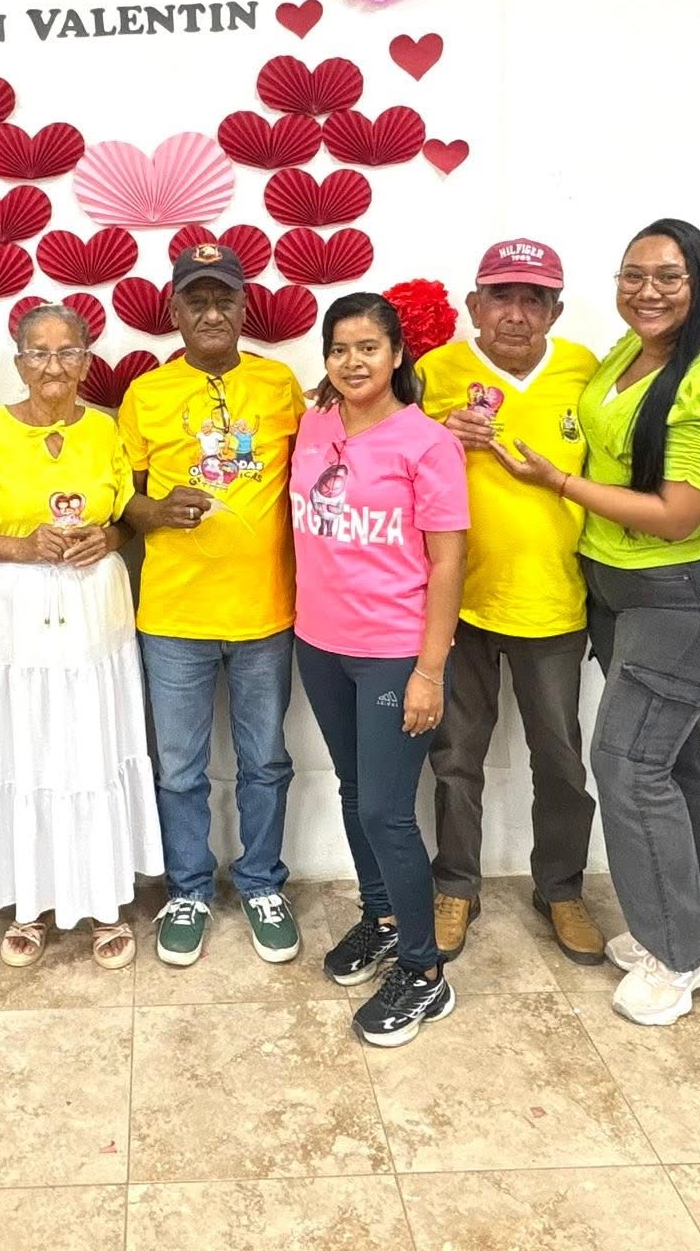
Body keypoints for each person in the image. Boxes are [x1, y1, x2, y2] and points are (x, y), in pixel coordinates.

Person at [489, 218, 700, 1027]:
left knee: (628, 765)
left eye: (669, 277)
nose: (648, 291)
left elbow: (677, 516)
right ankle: (696, 930)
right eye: (633, 275)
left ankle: (673, 958)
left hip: (684, 596)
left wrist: (556, 484)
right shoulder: (626, 353)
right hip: (617, 589)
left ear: (699, 284)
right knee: (677, 763)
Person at [0, 304, 162, 972]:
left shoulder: (105, 432)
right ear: (19, 362)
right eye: (38, 352)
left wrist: (110, 538)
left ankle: (104, 900)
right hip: (16, 609)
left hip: (95, 606)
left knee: (93, 744)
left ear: (86, 361)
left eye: (68, 352)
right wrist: (20, 546)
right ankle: (30, 903)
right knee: (27, 745)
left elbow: (125, 519)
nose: (53, 366)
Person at [118, 242, 306, 967]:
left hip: (267, 613)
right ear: (174, 311)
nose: (210, 313)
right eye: (195, 301)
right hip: (174, 618)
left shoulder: (280, 384)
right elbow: (122, 501)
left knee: (266, 761)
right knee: (178, 769)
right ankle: (189, 890)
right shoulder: (146, 394)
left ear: (244, 306)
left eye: (223, 298)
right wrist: (155, 510)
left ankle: (261, 883)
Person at [417, 238, 604, 963]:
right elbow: (381, 453)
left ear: (556, 310)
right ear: (474, 305)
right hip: (459, 602)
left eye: (534, 299)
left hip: (554, 601)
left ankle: (560, 888)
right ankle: (455, 886)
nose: (517, 314)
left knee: (560, 760)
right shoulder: (434, 372)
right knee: (455, 756)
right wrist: (438, 434)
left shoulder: (586, 370)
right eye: (501, 297)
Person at [291, 293, 468, 1047]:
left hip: (393, 650)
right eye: (339, 348)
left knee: (387, 812)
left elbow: (448, 562)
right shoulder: (316, 424)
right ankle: (384, 916)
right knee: (355, 789)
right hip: (319, 642)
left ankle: (425, 974)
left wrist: (429, 670)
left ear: (397, 354)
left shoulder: (427, 444)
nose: (352, 361)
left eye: (368, 347)